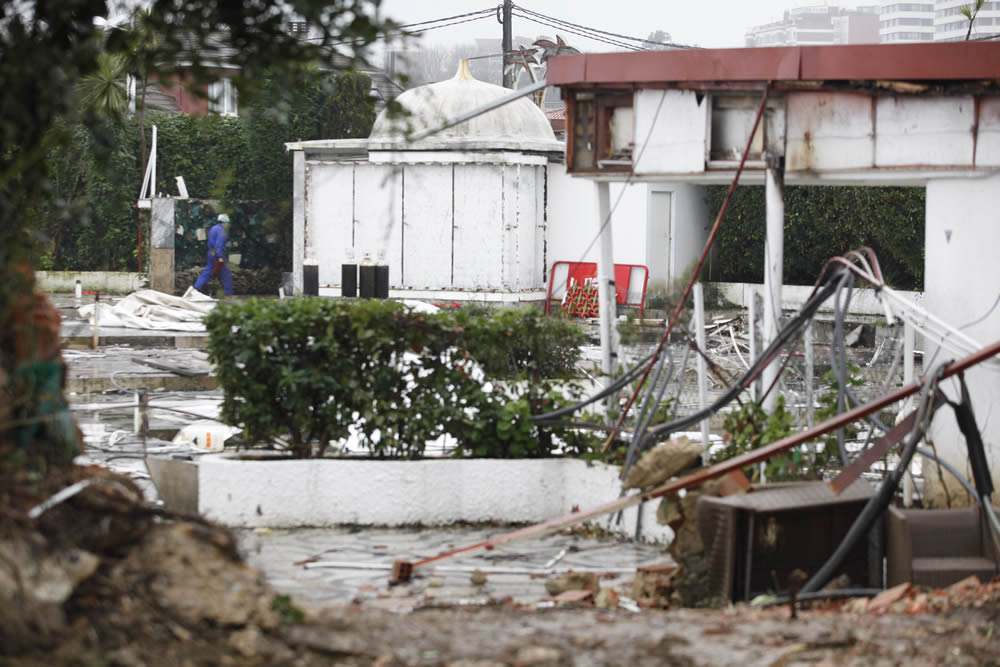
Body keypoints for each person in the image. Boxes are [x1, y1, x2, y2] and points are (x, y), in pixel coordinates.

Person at [193, 213, 233, 296]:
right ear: (224, 222)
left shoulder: (213, 228)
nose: (228, 224)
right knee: (226, 274)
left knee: (207, 271)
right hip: (217, 254)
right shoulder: (222, 231)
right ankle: (228, 294)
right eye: (228, 222)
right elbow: (219, 245)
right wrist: (220, 256)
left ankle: (196, 288)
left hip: (211, 252)